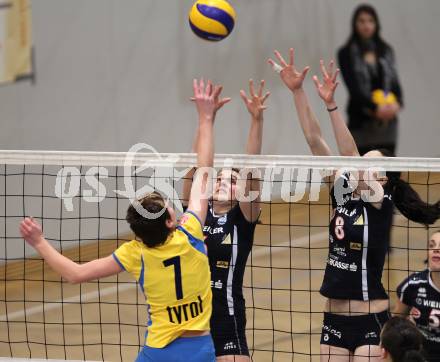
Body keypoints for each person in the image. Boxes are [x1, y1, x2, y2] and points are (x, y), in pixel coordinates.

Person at [19, 78, 229, 362]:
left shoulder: (135, 253)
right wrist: (206, 119)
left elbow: (75, 274)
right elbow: (205, 169)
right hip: (200, 351)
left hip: (158, 353)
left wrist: (39, 241)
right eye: (170, 208)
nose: (174, 208)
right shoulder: (190, 232)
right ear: (170, 222)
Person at [268, 48, 440, 361]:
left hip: (369, 321)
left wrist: (332, 104)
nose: (364, 163)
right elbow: (313, 138)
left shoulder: (380, 202)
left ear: (384, 179)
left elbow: (349, 159)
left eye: (372, 163)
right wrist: (298, 92)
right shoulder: (341, 192)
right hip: (333, 318)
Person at [182, 79, 269, 361]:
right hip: (189, 319)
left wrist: (256, 120)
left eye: (231, 181)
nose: (220, 182)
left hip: (226, 320)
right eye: (218, 178)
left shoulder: (243, 218)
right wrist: (206, 119)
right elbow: (196, 166)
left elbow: (251, 170)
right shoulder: (196, 213)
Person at [338, 4, 403, 156]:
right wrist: (375, 108)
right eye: (361, 21)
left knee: (387, 173)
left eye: (370, 21)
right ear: (355, 24)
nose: (366, 25)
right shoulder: (346, 52)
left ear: (376, 24)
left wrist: (396, 104)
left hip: (387, 123)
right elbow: (353, 88)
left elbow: (395, 84)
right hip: (360, 122)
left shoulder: (386, 50)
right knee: (360, 171)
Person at [395, 231, 440, 361]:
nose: (436, 250)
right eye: (432, 246)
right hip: (420, 356)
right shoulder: (412, 285)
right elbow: (395, 324)